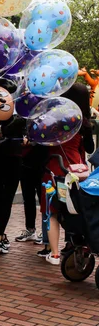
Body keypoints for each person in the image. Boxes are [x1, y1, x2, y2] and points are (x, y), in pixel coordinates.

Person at [41, 83, 94, 265]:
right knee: (75, 208)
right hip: (78, 172)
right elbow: (89, 148)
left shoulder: (53, 120)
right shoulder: (83, 123)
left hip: (55, 168)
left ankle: (54, 254)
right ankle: (74, 244)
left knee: (53, 211)